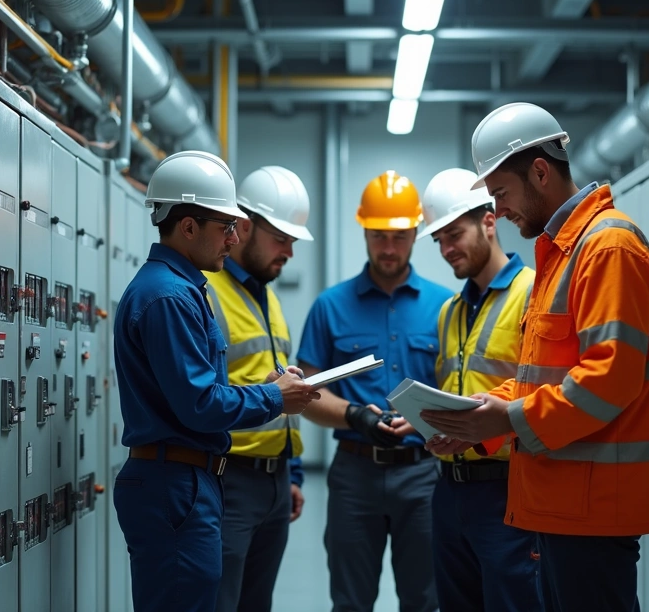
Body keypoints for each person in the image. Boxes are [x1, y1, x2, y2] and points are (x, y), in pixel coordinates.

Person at [420, 103, 649, 612]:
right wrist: (477, 422)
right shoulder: (559, 256)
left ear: (539, 171)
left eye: (502, 194)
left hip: (595, 508)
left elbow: (609, 378)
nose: (502, 211)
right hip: (558, 502)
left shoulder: (607, 248)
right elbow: (538, 380)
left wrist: (506, 417)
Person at [111, 151, 320, 612]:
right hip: (175, 483)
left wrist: (267, 390)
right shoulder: (168, 296)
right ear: (188, 228)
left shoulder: (183, 289)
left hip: (187, 478)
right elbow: (200, 404)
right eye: (225, 227)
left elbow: (199, 390)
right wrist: (273, 397)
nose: (232, 237)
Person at [296, 171, 454, 612]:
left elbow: (459, 391)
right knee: (351, 602)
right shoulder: (330, 306)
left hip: (424, 473)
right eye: (379, 236)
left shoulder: (445, 307)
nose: (388, 248)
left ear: (416, 234)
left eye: (400, 237)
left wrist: (428, 421)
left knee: (425, 600)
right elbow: (307, 392)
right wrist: (355, 415)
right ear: (364, 231)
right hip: (354, 475)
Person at [416, 167, 542, 610]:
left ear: (489, 222)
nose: (447, 250)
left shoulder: (534, 293)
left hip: (508, 489)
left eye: (454, 235)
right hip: (449, 490)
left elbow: (545, 392)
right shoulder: (449, 312)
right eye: (439, 241)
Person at [205, 166, 315, 612]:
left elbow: (275, 384)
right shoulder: (206, 291)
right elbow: (202, 395)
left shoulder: (266, 295)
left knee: (256, 603)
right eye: (281, 238)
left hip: (274, 480)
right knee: (221, 601)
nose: (289, 251)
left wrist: (290, 472)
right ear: (244, 227)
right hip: (229, 479)